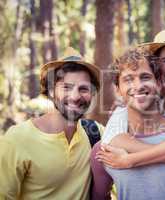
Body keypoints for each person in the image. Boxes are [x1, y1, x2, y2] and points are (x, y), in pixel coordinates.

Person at [91, 48, 165, 200]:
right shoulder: (105, 150)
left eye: (145, 77)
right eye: (128, 79)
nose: (138, 85)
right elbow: (99, 196)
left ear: (159, 83)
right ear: (117, 89)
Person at [0, 47, 104, 200]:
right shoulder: (17, 139)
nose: (75, 96)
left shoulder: (96, 133)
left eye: (83, 89)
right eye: (66, 87)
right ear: (50, 91)